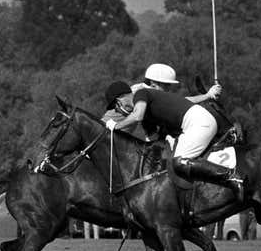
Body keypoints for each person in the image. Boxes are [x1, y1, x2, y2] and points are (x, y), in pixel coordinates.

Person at [104, 63, 244, 202]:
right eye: (166, 85)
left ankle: (232, 177)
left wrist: (116, 126)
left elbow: (137, 115)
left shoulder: (141, 94)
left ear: (120, 100)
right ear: (153, 83)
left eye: (167, 86)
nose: (168, 90)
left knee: (180, 162)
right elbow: (152, 137)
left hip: (198, 123)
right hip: (194, 124)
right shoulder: (146, 101)